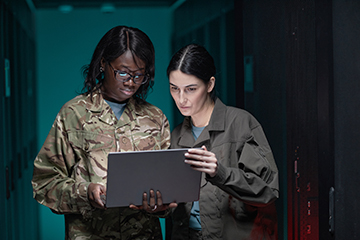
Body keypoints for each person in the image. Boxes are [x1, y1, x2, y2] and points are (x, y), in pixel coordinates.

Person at [32, 25, 174, 240]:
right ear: (103, 65)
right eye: (122, 72)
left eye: (139, 75)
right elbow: (45, 182)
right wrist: (85, 192)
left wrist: (160, 206)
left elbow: (169, 187)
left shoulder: (155, 118)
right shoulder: (74, 114)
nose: (130, 82)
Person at [165, 44, 279, 240]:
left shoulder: (241, 124)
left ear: (209, 85)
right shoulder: (175, 136)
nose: (181, 99)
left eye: (190, 89)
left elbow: (268, 190)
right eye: (174, 89)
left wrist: (221, 173)